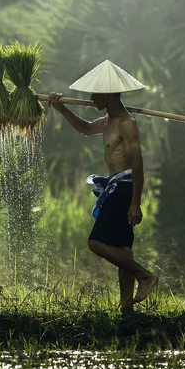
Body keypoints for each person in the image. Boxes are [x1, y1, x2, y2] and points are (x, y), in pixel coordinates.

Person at [47, 60, 159, 314]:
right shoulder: (108, 120)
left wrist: (135, 202)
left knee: (96, 243)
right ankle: (126, 309)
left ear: (107, 93)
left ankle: (145, 276)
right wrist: (62, 108)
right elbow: (86, 129)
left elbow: (138, 162)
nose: (91, 97)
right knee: (122, 249)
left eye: (95, 92)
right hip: (114, 186)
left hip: (124, 188)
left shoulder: (126, 123)